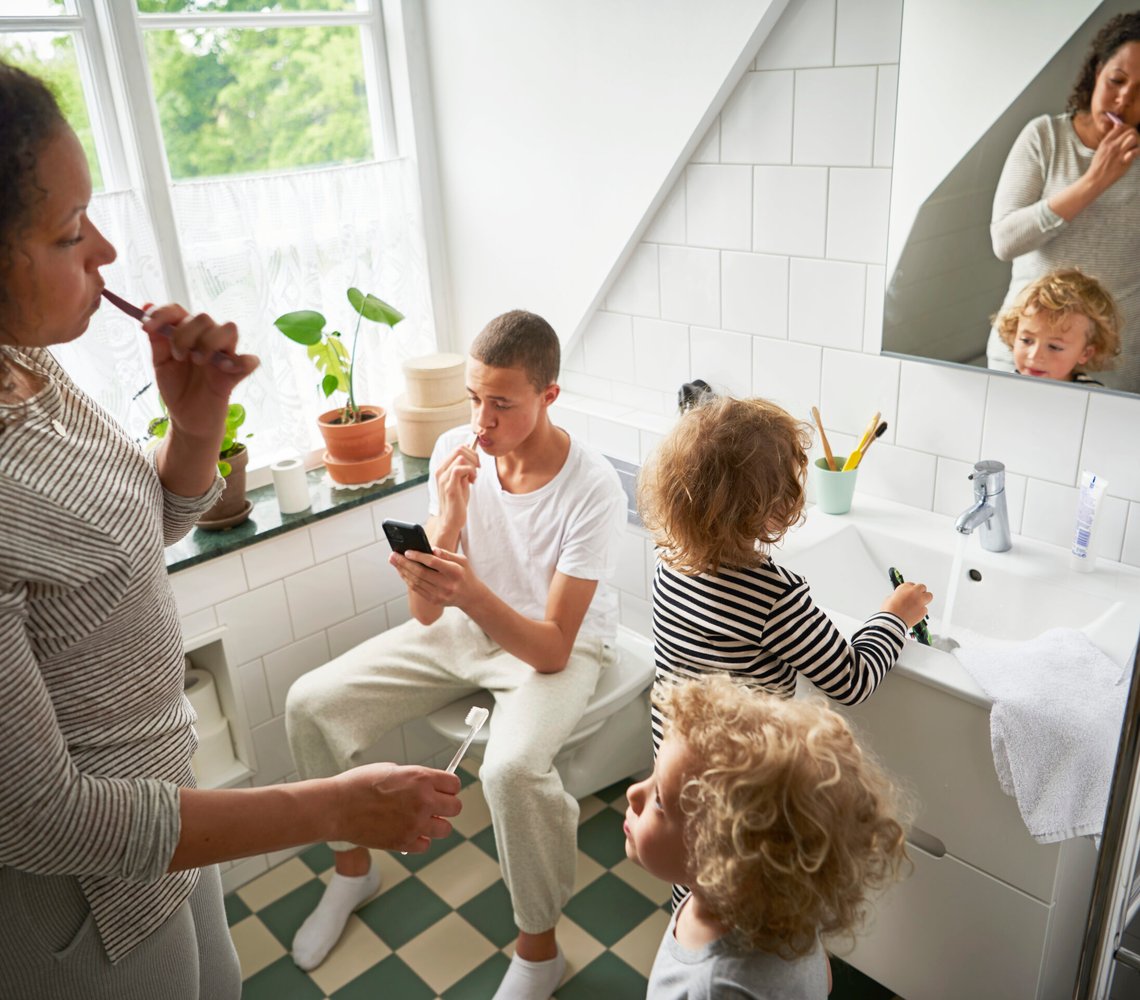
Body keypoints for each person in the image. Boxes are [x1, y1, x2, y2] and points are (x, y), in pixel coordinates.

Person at [0, 61, 461, 1000]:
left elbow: (140, 532)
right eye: (68, 231)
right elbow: (36, 818)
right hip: (80, 900)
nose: (106, 254)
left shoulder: (28, 371)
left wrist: (197, 415)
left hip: (167, 811)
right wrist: (332, 805)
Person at [285, 310, 627, 999]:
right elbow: (425, 614)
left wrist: (470, 593)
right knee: (309, 704)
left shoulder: (592, 488)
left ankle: (540, 950)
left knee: (510, 771)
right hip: (465, 626)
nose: (484, 418)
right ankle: (353, 872)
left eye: (503, 403)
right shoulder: (454, 455)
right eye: (476, 399)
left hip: (553, 643)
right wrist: (448, 516)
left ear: (548, 397)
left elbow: (554, 647)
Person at [637, 394, 929, 904]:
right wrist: (894, 616)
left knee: (697, 882)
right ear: (775, 508)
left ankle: (691, 959)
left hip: (677, 764)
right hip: (744, 783)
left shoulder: (670, 564)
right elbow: (851, 680)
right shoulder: (772, 595)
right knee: (745, 893)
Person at [624, 674, 912, 1000]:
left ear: (727, 860)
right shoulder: (777, 910)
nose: (634, 792)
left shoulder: (719, 988)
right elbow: (824, 981)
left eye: (660, 800)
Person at [987, 11, 1140, 392]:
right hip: (1021, 356)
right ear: (1097, 70)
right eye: (1116, 81)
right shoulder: (1045, 137)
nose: (1123, 100)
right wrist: (1093, 181)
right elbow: (1005, 241)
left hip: (1113, 365)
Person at [993, 268, 1122, 385]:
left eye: (1054, 347)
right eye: (1026, 340)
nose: (1035, 355)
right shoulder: (1000, 386)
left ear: (1085, 353)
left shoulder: (1094, 397)